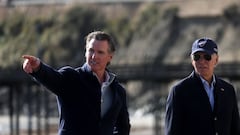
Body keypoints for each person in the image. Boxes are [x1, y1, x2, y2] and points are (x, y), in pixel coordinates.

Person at [22, 31, 131, 135]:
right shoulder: (72, 78)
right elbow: (52, 78)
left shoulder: (118, 91)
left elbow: (122, 127)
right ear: (85, 52)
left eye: (100, 52)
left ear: (110, 57)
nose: (94, 56)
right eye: (91, 50)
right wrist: (38, 68)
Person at [165, 37, 240, 135]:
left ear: (216, 60)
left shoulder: (228, 90)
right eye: (197, 57)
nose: (201, 61)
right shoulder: (179, 91)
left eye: (207, 57)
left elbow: (235, 130)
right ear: (192, 60)